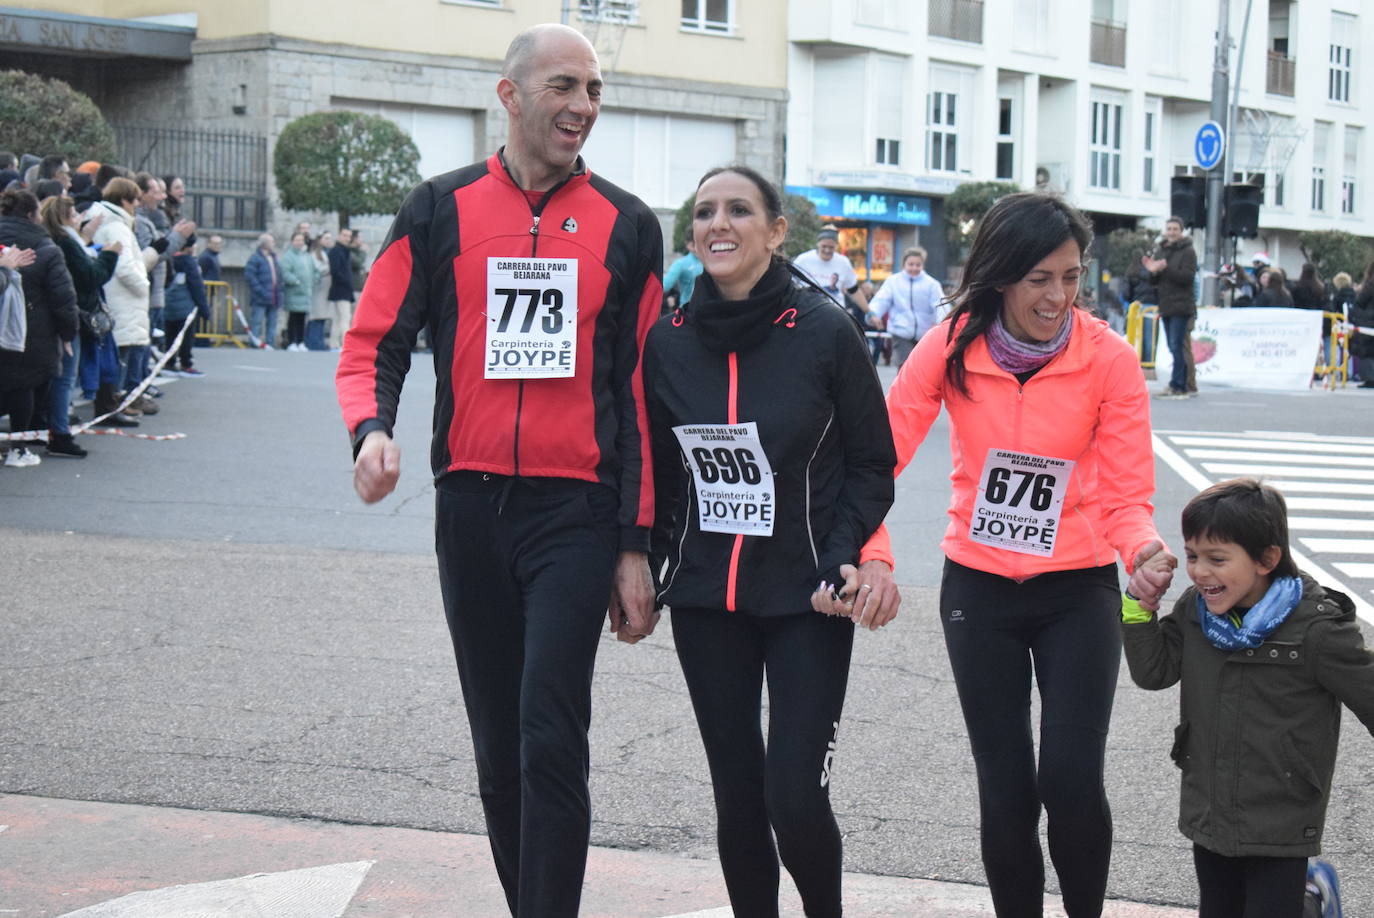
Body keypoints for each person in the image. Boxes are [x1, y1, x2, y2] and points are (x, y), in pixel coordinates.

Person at [335, 23, 662, 918]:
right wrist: (370, 431)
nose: (584, 107)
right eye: (564, 87)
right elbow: (373, 342)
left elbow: (639, 397)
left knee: (550, 732)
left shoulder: (628, 225)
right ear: (510, 94)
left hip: (578, 514)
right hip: (471, 508)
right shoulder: (438, 209)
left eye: (594, 90)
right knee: (497, 747)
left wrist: (636, 543)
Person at [825, 191, 1175, 918]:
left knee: (1071, 781)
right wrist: (878, 554)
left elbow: (1125, 491)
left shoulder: (1107, 358)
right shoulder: (949, 344)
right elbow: (873, 462)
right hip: (978, 589)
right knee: (1007, 784)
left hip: (1077, 588)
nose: (1058, 296)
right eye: (1039, 278)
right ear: (1002, 275)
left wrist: (1141, 547)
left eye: (1072, 277)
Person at [644, 165, 897, 918]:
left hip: (804, 598)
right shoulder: (668, 340)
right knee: (738, 794)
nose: (718, 224)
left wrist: (845, 553)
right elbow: (656, 471)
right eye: (704, 213)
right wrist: (642, 563)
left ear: (777, 231)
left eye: (739, 211)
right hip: (705, 599)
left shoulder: (824, 330)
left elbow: (872, 463)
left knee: (794, 797)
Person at [1121, 478, 1374, 918]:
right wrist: (1137, 608)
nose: (1199, 572)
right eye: (1194, 556)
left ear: (1266, 559)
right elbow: (1154, 672)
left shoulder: (1315, 629)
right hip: (1211, 809)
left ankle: (1310, 900)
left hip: (1283, 813)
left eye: (1217, 559)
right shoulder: (1196, 613)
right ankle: (1309, 902)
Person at [0, 190, 78, 468]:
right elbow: (63, 298)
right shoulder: (45, 248)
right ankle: (18, 448)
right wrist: (68, 333)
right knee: (23, 389)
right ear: (34, 215)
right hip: (31, 332)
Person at [40, 194, 121, 455]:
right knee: (65, 377)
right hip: (69, 315)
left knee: (58, 376)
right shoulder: (66, 243)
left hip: (56, 315)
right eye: (75, 214)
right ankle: (59, 432)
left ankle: (49, 426)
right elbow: (88, 276)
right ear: (65, 217)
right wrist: (109, 256)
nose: (79, 219)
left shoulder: (59, 240)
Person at [92, 177, 157, 417]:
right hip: (125, 299)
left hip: (116, 296)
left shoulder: (106, 221)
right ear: (123, 200)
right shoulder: (117, 226)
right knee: (123, 355)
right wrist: (144, 286)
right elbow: (126, 266)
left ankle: (117, 401)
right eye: (135, 200)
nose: (137, 205)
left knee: (120, 353)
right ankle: (117, 403)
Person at [1143, 216, 1197, 399]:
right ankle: (1176, 384)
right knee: (1172, 346)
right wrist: (1153, 271)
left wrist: (1165, 268)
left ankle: (1180, 385)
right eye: (1169, 228)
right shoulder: (1162, 249)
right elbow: (1154, 281)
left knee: (1177, 346)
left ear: (1181, 231)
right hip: (1166, 304)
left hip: (1181, 305)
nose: (1171, 232)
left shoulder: (1188, 251)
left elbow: (1187, 277)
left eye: (1175, 229)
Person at [868, 246, 944, 367]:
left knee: (923, 368)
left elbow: (940, 305)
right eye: (911, 264)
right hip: (901, 331)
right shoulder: (893, 281)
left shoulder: (932, 284)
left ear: (922, 265)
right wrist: (873, 314)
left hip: (925, 334)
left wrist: (943, 323)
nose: (914, 268)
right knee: (905, 365)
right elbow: (882, 300)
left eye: (918, 265)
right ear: (904, 264)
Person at [162, 240, 210, 376]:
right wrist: (204, 309)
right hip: (185, 306)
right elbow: (196, 286)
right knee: (186, 337)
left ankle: (169, 362)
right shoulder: (189, 262)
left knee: (170, 336)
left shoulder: (169, 259)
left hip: (169, 304)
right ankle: (185, 363)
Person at [793, 226, 867, 312]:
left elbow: (853, 290)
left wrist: (869, 312)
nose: (827, 250)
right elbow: (791, 283)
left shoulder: (843, 262)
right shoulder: (803, 259)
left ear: (836, 246)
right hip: (809, 311)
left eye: (831, 247)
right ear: (818, 243)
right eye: (824, 246)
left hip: (836, 313)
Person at [279, 230, 317, 351]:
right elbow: (285, 272)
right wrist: (296, 281)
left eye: (301, 240)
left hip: (305, 293)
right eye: (297, 240)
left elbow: (314, 270)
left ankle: (301, 341)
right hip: (294, 293)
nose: (299, 242)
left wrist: (314, 279)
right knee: (292, 318)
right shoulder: (288, 256)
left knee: (302, 319)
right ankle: (292, 342)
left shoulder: (306, 256)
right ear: (292, 242)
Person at [245, 232, 282, 349]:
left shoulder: (274, 258)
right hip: (260, 296)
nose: (273, 244)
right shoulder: (255, 258)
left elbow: (279, 276)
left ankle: (270, 343)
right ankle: (254, 342)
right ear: (265, 244)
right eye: (271, 242)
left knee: (272, 322)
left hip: (274, 296)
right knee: (257, 321)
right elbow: (250, 276)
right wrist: (260, 290)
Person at [326, 227, 354, 349]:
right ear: (339, 236)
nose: (347, 238)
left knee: (339, 318)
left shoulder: (345, 250)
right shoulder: (336, 251)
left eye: (348, 236)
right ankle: (345, 343)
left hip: (344, 288)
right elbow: (336, 271)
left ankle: (334, 343)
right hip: (341, 288)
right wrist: (346, 282)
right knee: (345, 317)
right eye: (344, 235)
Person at [306, 231, 333, 351]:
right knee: (316, 316)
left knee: (322, 316)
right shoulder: (314, 254)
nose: (328, 241)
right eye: (326, 238)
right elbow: (316, 269)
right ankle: (314, 343)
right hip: (318, 288)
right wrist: (328, 269)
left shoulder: (325, 253)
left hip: (325, 288)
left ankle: (319, 341)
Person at [662, 238, 702, 313]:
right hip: (703, 309)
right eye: (694, 244)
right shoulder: (711, 262)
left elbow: (664, 286)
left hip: (687, 310)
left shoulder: (680, 263)